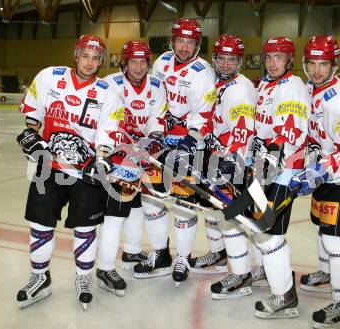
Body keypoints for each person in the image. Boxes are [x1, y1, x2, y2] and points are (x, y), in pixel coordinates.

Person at [15, 34, 122, 310]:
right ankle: (40, 278)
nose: (90, 62)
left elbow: (108, 131)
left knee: (86, 227)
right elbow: (33, 116)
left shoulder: (108, 92)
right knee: (40, 225)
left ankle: (83, 278)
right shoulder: (50, 77)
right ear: (76, 55)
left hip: (84, 172)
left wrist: (101, 160)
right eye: (85, 55)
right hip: (49, 168)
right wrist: (31, 136)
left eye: (96, 58)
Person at [289, 35, 340, 329]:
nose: (317, 70)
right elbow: (313, 134)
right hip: (324, 166)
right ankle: (327, 272)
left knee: (338, 238)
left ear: (334, 64)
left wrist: (321, 172)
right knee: (323, 226)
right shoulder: (311, 89)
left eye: (324, 64)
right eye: (312, 63)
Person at [134, 18, 216, 286]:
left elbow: (203, 113)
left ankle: (182, 257)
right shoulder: (161, 63)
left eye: (189, 42)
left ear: (197, 44)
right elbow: (152, 96)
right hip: (159, 139)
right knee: (151, 197)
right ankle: (160, 253)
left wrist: (188, 141)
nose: (184, 47)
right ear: (173, 41)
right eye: (180, 41)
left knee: (184, 203)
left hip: (187, 145)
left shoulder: (203, 72)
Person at [189, 34, 263, 299]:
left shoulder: (240, 89)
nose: (226, 64)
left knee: (230, 219)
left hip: (234, 163)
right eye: (222, 58)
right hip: (217, 157)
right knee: (213, 213)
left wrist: (228, 163)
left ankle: (241, 274)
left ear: (239, 61)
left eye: (232, 59)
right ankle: (219, 256)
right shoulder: (218, 83)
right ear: (215, 58)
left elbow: (242, 132)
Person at [95, 40, 167, 295]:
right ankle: (104, 266)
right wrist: (121, 146)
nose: (138, 67)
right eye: (133, 62)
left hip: (142, 152)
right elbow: (104, 121)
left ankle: (132, 252)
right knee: (115, 211)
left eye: (143, 61)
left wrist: (153, 139)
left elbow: (157, 117)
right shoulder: (110, 84)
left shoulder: (157, 85)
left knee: (136, 204)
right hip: (117, 152)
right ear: (124, 63)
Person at [252, 37, 310, 318]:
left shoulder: (293, 86)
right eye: (269, 57)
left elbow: (291, 129)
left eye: (279, 57)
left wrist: (272, 150)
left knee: (269, 232)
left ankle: (285, 295)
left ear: (289, 61)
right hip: (266, 167)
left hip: (284, 169)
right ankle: (272, 273)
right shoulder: (264, 84)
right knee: (263, 228)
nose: (273, 63)